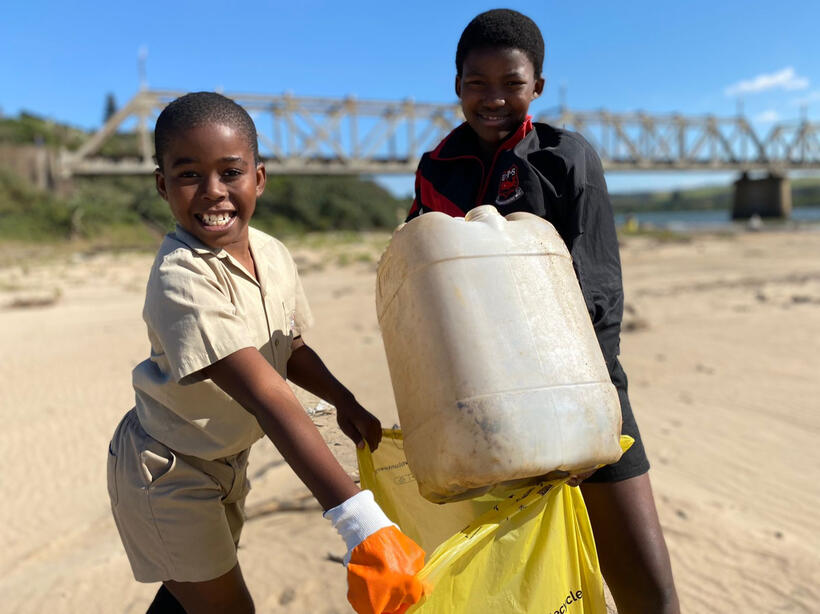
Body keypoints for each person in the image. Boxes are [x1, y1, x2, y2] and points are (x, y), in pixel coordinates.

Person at [106, 92, 424, 614]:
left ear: (259, 177)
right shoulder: (179, 278)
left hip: (227, 463)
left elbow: (288, 347)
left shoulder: (272, 253)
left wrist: (346, 402)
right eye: (189, 175)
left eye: (230, 172)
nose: (213, 192)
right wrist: (360, 523)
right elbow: (264, 391)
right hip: (168, 471)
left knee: (190, 596)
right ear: (163, 185)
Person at [406, 9, 680, 614]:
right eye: (477, 83)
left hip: (581, 388)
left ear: (538, 88)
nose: (493, 98)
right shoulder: (436, 170)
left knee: (645, 586)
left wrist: (585, 418)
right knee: (518, 586)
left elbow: (599, 290)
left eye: (511, 83)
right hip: (480, 406)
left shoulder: (565, 156)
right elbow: (422, 293)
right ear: (456, 86)